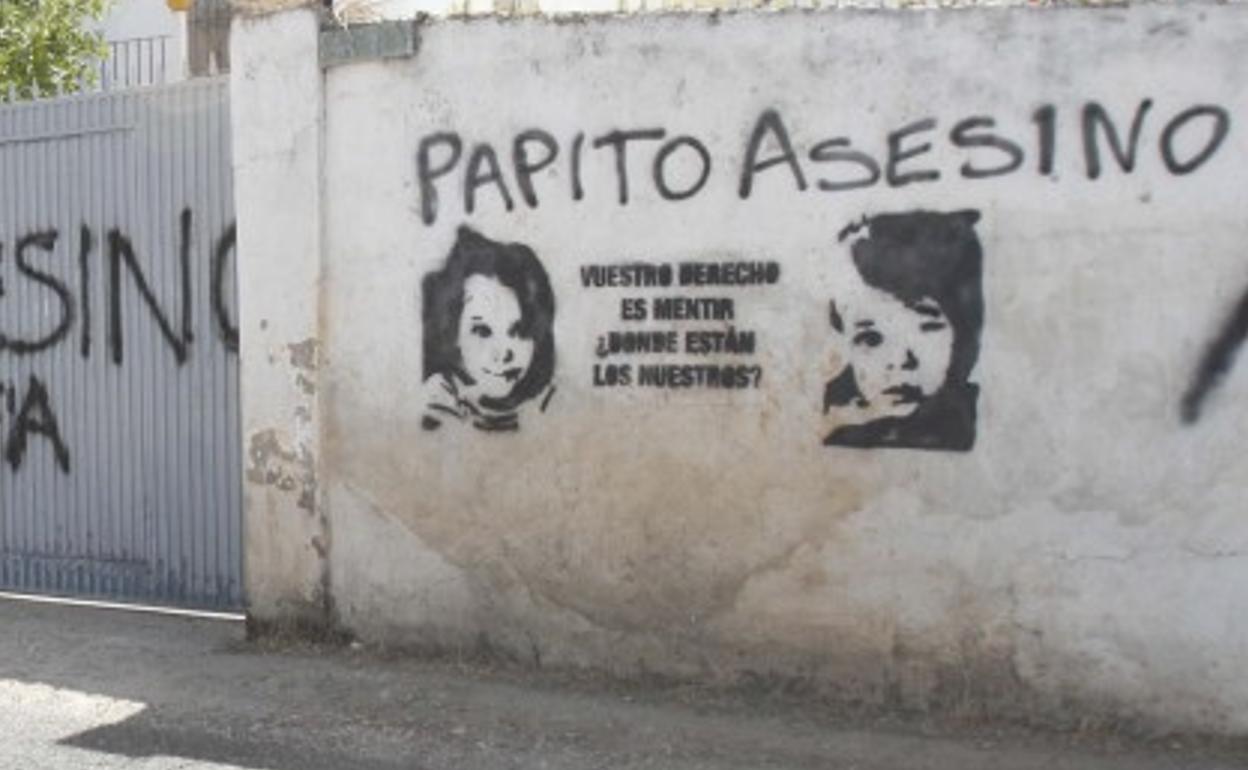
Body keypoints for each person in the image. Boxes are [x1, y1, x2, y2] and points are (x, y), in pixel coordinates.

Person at [823, 210, 983, 451]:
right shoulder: (839, 436)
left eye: (927, 328)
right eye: (871, 339)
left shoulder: (970, 436)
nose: (900, 361)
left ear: (960, 333)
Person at [421, 226, 556, 432]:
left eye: (519, 330)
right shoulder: (437, 401)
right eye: (483, 332)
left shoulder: (548, 402)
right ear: (454, 333)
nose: (503, 355)